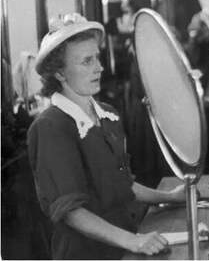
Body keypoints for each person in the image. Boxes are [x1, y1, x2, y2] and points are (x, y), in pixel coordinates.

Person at [27, 14, 186, 259]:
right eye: (86, 61)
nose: (99, 67)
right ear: (59, 73)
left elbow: (124, 185)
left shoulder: (108, 115)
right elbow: (71, 211)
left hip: (125, 245)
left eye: (97, 57)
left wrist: (171, 197)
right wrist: (133, 241)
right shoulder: (51, 127)